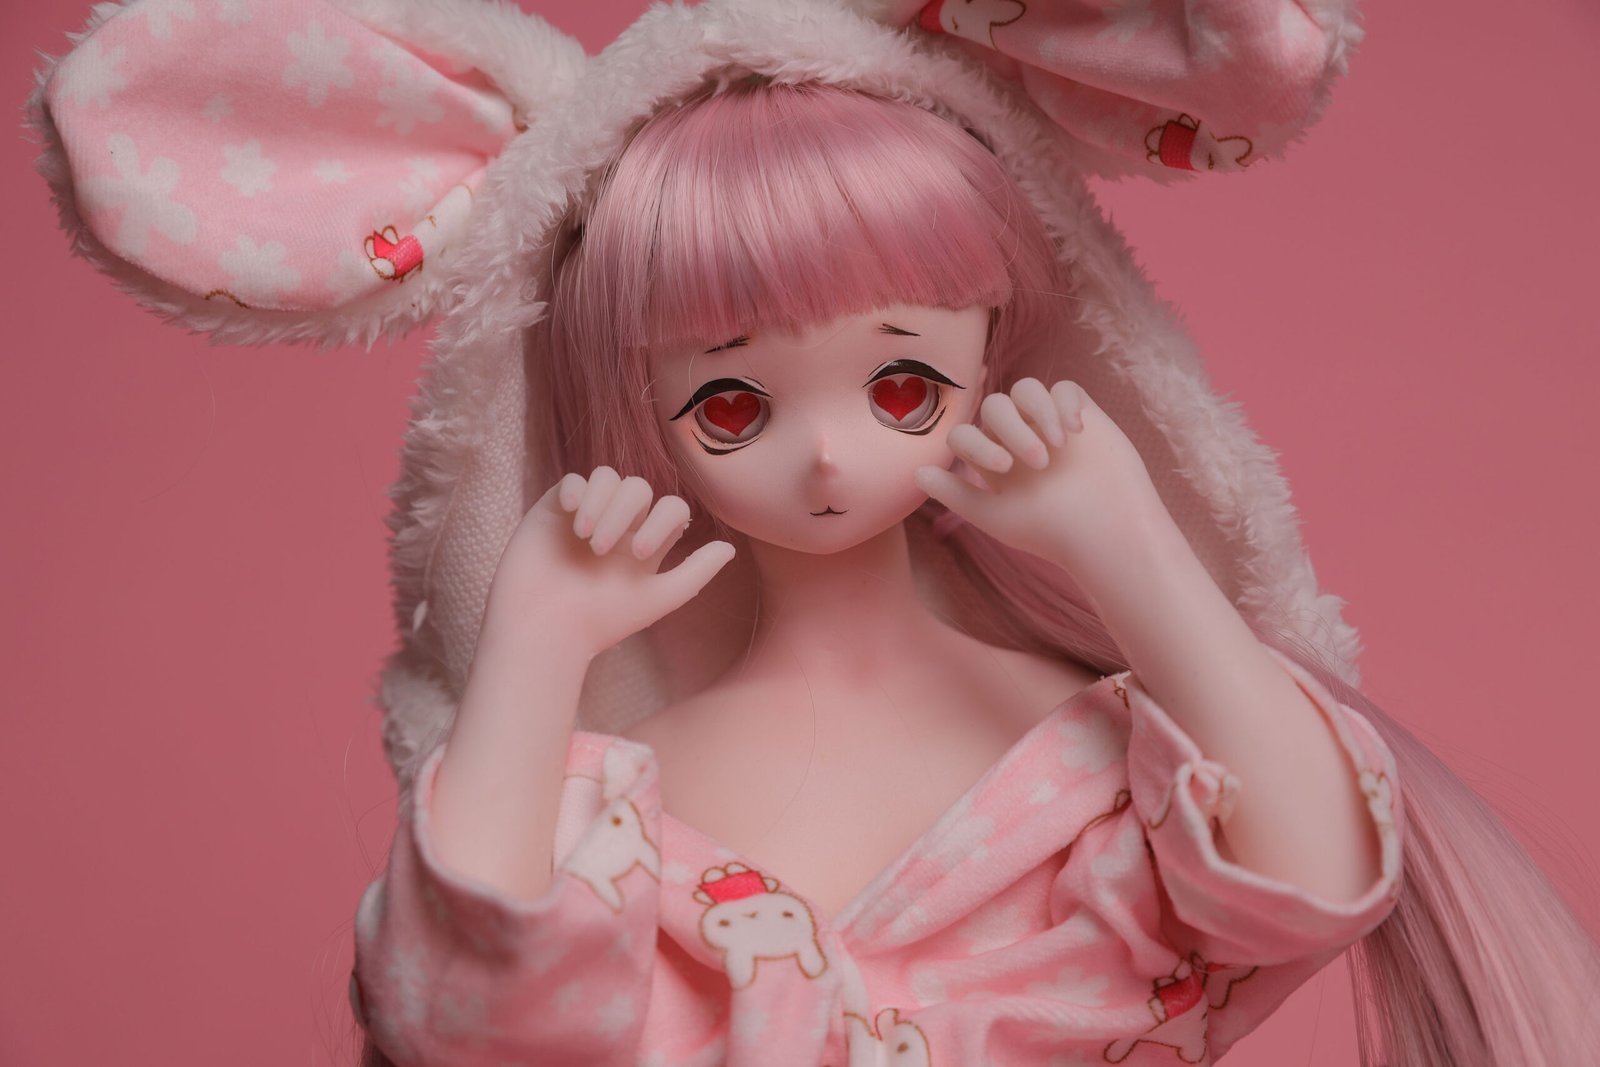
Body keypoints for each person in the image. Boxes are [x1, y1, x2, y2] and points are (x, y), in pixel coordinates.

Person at [26, 0, 1599, 1063]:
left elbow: (1318, 878)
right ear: (634, 402)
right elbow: (464, 1019)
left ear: (1005, 350)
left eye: (904, 382)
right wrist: (532, 646)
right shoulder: (613, 808)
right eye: (732, 404)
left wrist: (1132, 548)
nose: (832, 455)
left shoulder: (1101, 755)